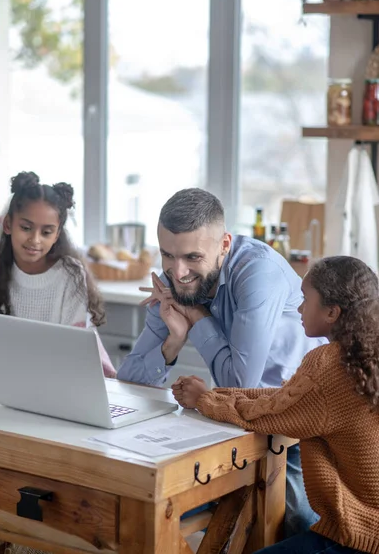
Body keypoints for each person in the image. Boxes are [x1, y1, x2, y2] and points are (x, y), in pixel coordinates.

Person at [117, 187, 325, 536]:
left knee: (294, 525)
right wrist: (173, 342)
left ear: (224, 245)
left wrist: (197, 317)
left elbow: (240, 384)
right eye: (167, 255)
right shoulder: (176, 280)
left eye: (192, 257)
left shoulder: (257, 275)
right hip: (234, 419)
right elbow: (128, 380)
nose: (177, 272)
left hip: (296, 422)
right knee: (147, 502)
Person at [173, 255, 379, 554]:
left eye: (305, 299)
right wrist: (212, 394)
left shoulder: (329, 364)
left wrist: (205, 399)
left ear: (332, 312)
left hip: (361, 538)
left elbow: (272, 415)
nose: (298, 308)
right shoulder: (363, 356)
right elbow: (284, 399)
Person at [0, 171, 116, 378]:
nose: (35, 240)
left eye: (46, 232)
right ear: (8, 225)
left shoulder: (70, 275)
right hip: (4, 382)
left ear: (57, 234)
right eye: (26, 228)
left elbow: (74, 350)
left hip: (65, 379)